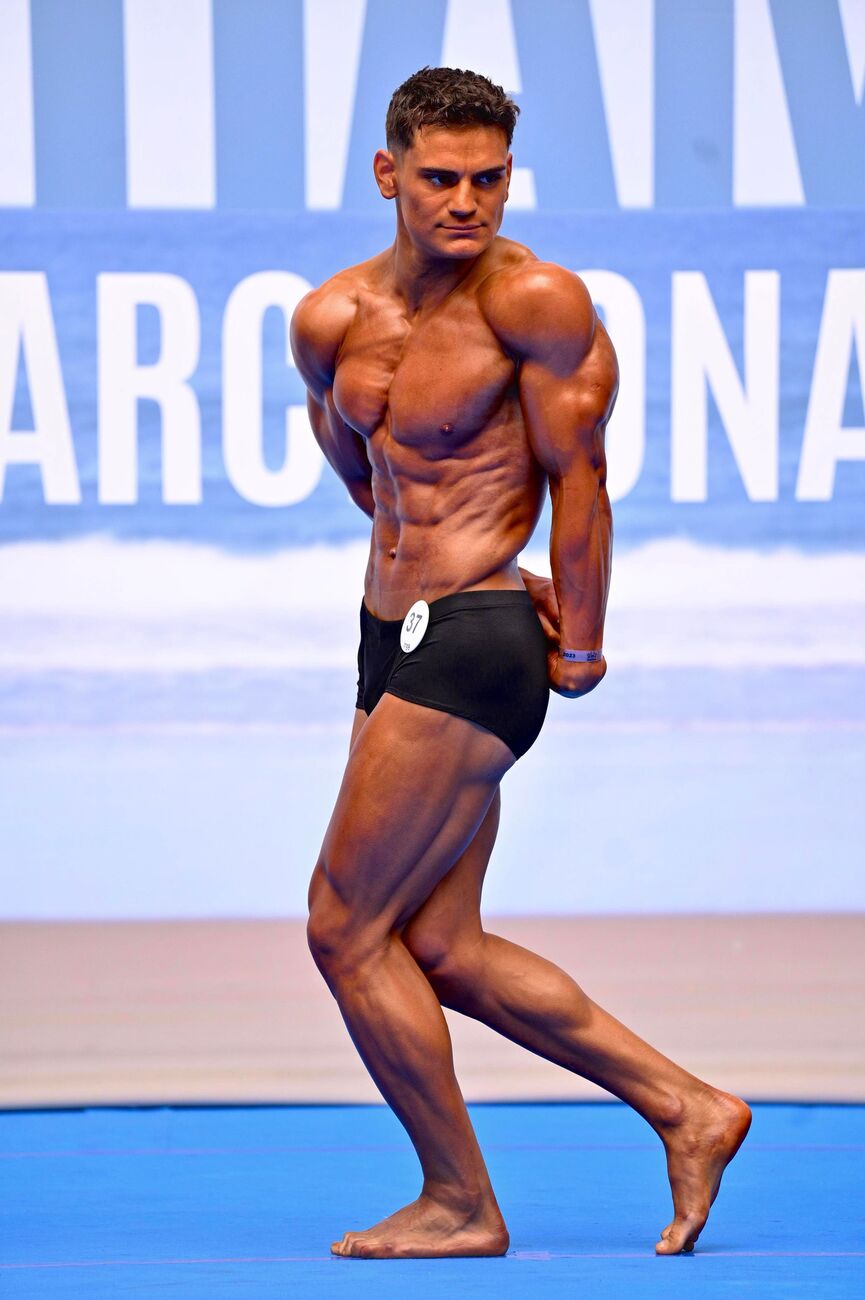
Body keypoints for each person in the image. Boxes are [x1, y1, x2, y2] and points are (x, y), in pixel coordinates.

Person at [290, 66, 750, 1260]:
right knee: (441, 947)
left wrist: (578, 638)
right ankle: (688, 1107)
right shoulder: (329, 318)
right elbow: (371, 480)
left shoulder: (533, 302)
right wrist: (430, 561)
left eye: (488, 179)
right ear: (388, 174)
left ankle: (459, 1201)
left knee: (343, 927)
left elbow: (579, 481)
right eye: (440, 178)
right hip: (390, 636)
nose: (466, 202)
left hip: (478, 646)